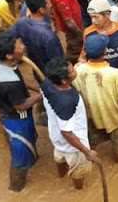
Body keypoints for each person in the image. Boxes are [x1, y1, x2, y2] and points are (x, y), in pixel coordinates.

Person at [73, 33, 118, 163]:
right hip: (115, 118)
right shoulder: (114, 74)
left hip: (91, 116)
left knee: (92, 140)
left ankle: (91, 159)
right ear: (104, 52)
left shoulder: (78, 69)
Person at [0, 32, 41, 191]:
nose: (23, 47)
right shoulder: (8, 83)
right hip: (17, 119)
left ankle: (33, 160)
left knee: (31, 140)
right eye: (19, 46)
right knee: (21, 154)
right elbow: (21, 105)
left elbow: (20, 78)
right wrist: (41, 96)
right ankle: (16, 187)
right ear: (9, 55)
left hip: (13, 112)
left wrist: (39, 88)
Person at [42, 57, 99, 190]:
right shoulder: (67, 102)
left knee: (59, 157)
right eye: (72, 70)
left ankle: (60, 177)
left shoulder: (47, 83)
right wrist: (86, 151)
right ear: (64, 81)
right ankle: (78, 190)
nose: (75, 71)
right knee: (78, 170)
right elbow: (67, 132)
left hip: (56, 138)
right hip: (74, 146)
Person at [9, 0, 65, 77]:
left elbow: (6, 37)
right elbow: (58, 62)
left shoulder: (22, 22)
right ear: (41, 10)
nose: (51, 5)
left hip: (37, 69)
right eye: (48, 3)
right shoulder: (48, 36)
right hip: (54, 75)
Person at [82, 0, 118, 75]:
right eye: (91, 17)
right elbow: (84, 54)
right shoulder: (88, 33)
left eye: (96, 17)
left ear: (107, 14)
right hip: (99, 75)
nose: (93, 21)